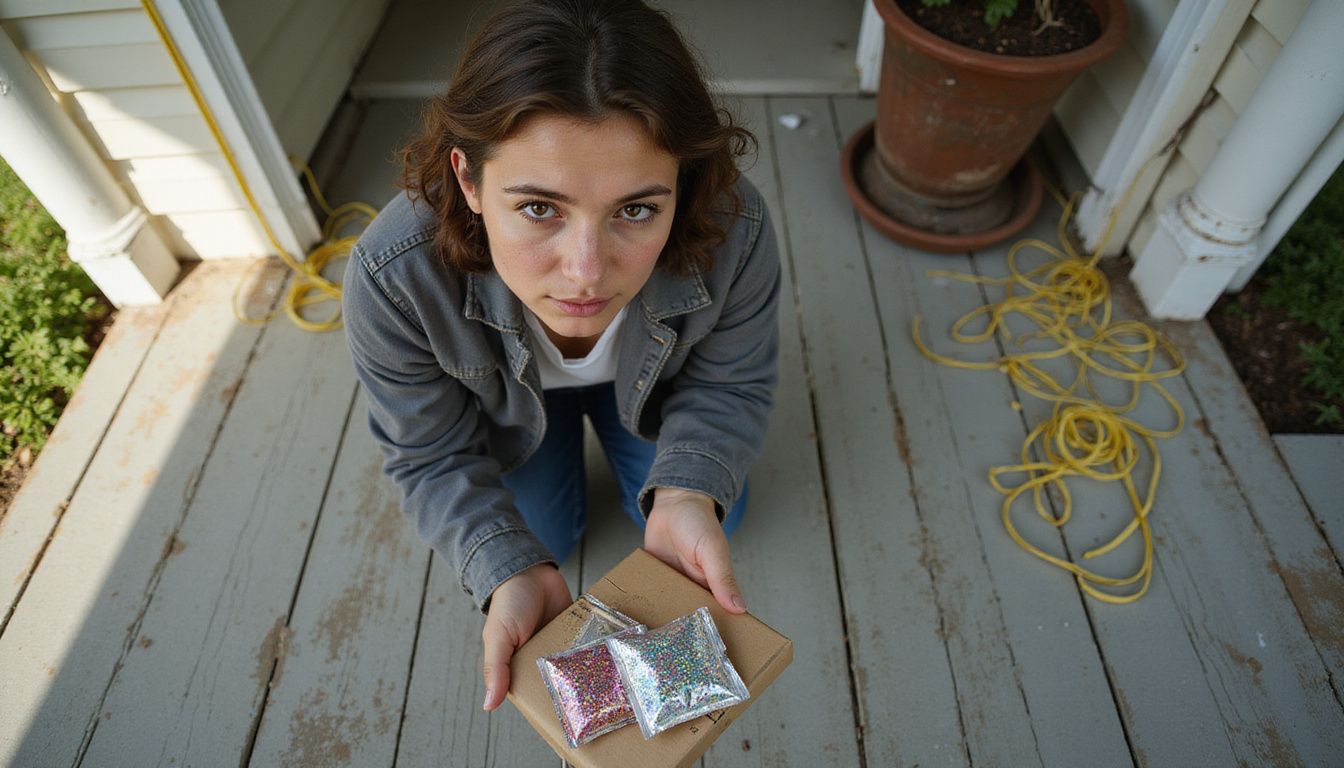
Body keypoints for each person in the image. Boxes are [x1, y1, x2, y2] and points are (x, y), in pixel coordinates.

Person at [342, 0, 780, 714]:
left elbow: (733, 382)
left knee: (717, 516)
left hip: (653, 385)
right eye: (540, 208)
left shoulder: (738, 228)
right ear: (469, 180)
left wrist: (687, 488)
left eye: (636, 210)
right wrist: (503, 563)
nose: (586, 272)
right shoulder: (393, 276)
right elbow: (427, 454)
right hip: (510, 410)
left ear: (685, 185)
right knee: (540, 538)